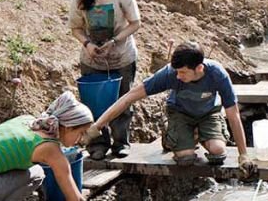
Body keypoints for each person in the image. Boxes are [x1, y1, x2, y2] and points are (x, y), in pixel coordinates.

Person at [87, 42, 255, 171]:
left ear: (199, 68)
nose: (178, 76)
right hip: (180, 113)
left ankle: (197, 134)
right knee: (185, 159)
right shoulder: (170, 74)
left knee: (218, 153)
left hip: (208, 113)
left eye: (183, 72)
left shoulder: (217, 75)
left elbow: (233, 115)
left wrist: (244, 155)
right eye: (177, 72)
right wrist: (98, 125)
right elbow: (128, 98)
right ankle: (172, 136)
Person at [68, 0, 142, 160]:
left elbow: (135, 23)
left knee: (122, 102)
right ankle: (98, 145)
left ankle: (120, 143)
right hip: (92, 60)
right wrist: (87, 44)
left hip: (122, 58)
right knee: (93, 104)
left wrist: (115, 41)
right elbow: (75, 28)